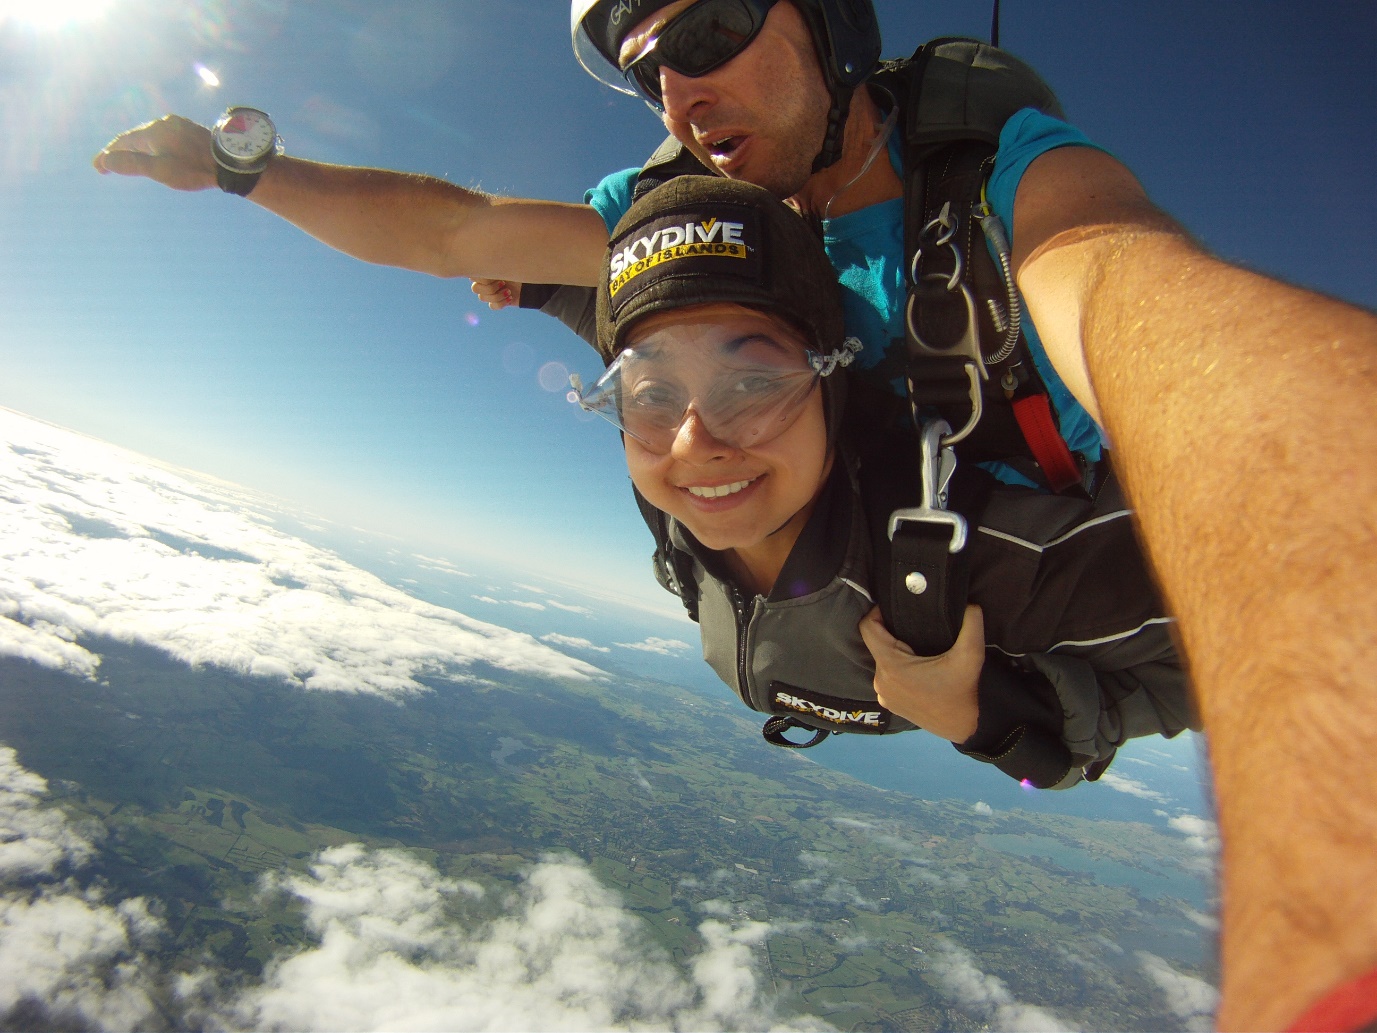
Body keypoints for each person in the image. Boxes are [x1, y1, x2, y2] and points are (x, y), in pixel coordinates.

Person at [91, 1, 1377, 1025]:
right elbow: (456, 230)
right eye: (649, 68)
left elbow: (1135, 295)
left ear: (829, 19)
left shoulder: (1004, 196)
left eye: (707, 33)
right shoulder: (676, 223)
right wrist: (241, 171)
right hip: (818, 605)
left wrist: (992, 714)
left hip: (1010, 606)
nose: (680, 94)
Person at [575, 173, 1190, 788]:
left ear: (831, 384)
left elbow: (1224, 644)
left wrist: (989, 720)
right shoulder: (671, 511)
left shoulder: (962, 560)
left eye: (752, 384)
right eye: (651, 396)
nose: (692, 445)